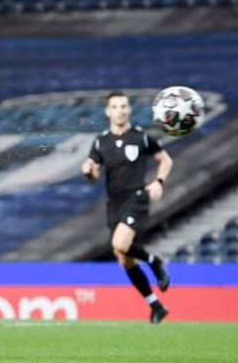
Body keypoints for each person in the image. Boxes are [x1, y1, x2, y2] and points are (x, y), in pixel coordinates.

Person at [81, 90, 174, 324]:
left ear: (129, 109)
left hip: (137, 197)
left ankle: (155, 262)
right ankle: (155, 305)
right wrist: (88, 171)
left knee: (119, 244)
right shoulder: (101, 141)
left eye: (124, 106)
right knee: (124, 258)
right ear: (107, 111)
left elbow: (166, 160)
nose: (120, 111)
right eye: (115, 107)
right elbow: (93, 173)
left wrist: (159, 181)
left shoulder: (141, 137)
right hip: (114, 203)